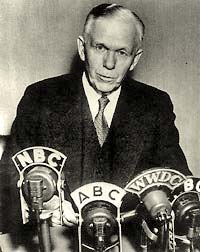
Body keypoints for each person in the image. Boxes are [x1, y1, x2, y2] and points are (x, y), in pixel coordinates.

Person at [0, 3, 192, 252]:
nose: (109, 64)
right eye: (100, 47)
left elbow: (176, 181)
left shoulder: (155, 104)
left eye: (122, 52)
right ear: (82, 48)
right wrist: (46, 206)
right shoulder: (40, 98)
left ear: (135, 59)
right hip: (55, 239)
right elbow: (8, 179)